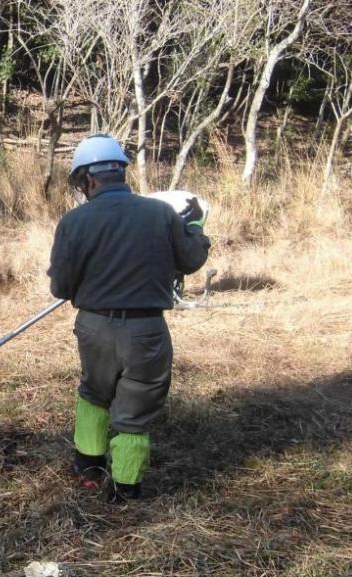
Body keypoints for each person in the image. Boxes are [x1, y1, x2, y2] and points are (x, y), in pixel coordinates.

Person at [47, 134, 211, 503]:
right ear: (120, 172)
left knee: (93, 391)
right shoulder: (162, 214)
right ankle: (126, 489)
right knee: (134, 411)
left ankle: (87, 467)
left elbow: (60, 287)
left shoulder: (74, 222)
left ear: (88, 179)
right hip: (146, 331)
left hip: (94, 328)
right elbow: (191, 261)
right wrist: (196, 229)